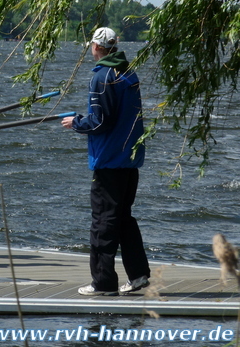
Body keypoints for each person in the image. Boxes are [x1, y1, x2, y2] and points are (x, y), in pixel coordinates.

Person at [61, 27, 150, 296]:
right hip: (129, 160)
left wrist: (75, 123)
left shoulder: (102, 76)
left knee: (103, 223)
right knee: (123, 219)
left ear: (96, 47)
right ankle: (138, 275)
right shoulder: (128, 72)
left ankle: (103, 283)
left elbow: (100, 121)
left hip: (109, 161)